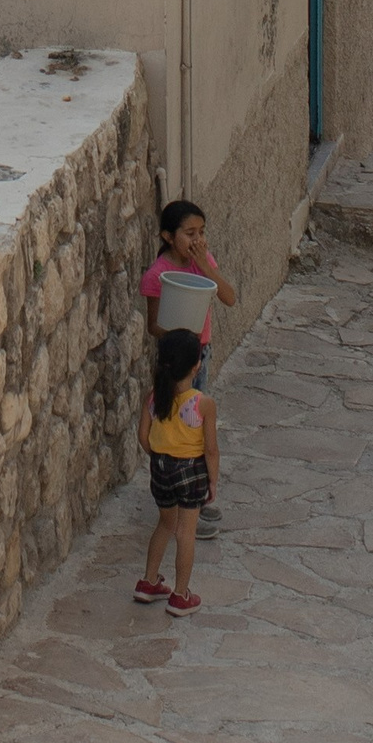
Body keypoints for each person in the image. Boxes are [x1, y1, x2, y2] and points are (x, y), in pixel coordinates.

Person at [141, 200, 236, 536]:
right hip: (174, 359)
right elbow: (153, 325)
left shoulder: (203, 264)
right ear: (168, 236)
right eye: (189, 233)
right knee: (178, 424)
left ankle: (195, 496)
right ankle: (180, 496)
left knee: (196, 423)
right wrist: (180, 331)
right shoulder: (158, 275)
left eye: (201, 233)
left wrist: (206, 267)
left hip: (200, 355)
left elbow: (229, 297)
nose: (197, 239)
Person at [135, 326, 216, 614]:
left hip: (160, 467)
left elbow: (143, 436)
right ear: (197, 365)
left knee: (165, 523)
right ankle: (181, 595)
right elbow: (210, 449)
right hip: (190, 472)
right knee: (186, 532)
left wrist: (159, 459)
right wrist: (213, 481)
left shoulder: (154, 397)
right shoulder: (203, 404)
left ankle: (148, 581)